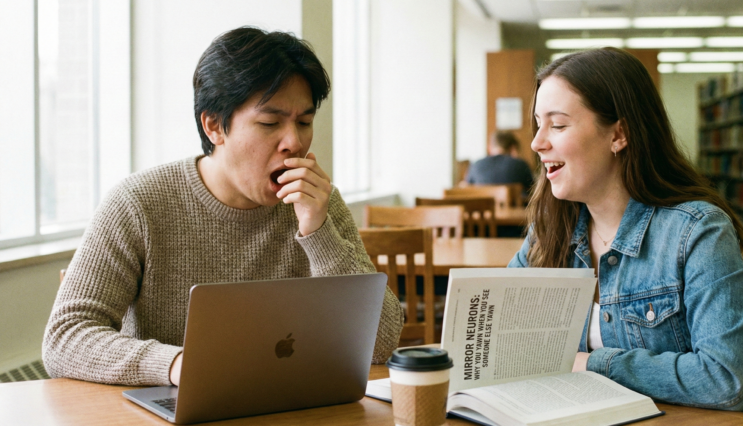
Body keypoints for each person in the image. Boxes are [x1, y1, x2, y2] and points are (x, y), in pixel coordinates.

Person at [42, 27, 403, 386]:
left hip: (292, 405)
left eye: (304, 122)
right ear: (214, 126)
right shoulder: (139, 203)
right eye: (269, 123)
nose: (294, 142)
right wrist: (178, 364)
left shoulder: (319, 203)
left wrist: (318, 232)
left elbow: (382, 345)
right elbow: (65, 337)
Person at [508, 47, 743, 416]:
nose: (536, 142)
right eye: (538, 124)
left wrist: (592, 365)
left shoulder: (698, 233)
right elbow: (502, 336)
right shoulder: (550, 230)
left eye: (558, 125)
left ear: (619, 134)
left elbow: (726, 380)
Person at [464, 130, 534, 193]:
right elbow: (533, 190)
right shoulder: (520, 165)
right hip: (516, 207)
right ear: (512, 148)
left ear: (489, 147)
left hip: (482, 207)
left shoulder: (476, 165)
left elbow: (467, 188)